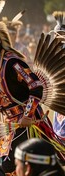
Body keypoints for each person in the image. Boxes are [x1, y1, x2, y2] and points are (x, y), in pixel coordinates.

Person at [0, 17, 65, 176]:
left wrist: (27, 115)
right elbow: (0, 97)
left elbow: (35, 86)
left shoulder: (12, 63)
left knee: (6, 168)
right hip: (10, 126)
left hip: (27, 126)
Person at [51, 11, 65, 140]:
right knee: (58, 136)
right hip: (59, 102)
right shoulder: (56, 54)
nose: (57, 39)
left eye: (59, 36)